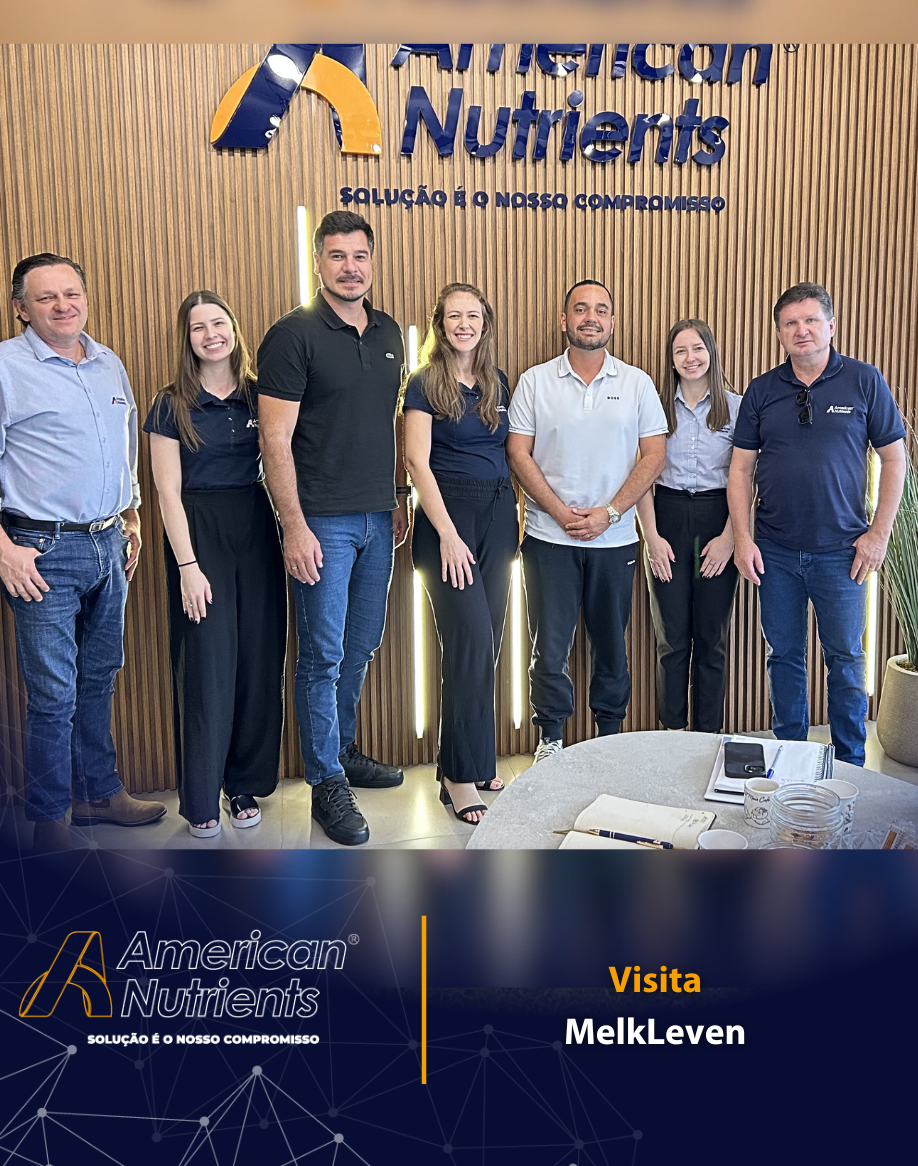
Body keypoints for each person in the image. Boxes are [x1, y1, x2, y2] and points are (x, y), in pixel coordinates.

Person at [0, 252, 167, 850]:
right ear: (22, 308)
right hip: (40, 552)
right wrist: (2, 550)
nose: (63, 306)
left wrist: (131, 513)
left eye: (72, 293)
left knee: (100, 678)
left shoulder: (107, 363)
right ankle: (51, 821)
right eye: (46, 298)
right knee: (53, 695)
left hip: (108, 545)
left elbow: (122, 447)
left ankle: (98, 794)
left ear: (86, 298)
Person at [257, 210, 408, 846]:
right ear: (318, 260)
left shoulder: (390, 332)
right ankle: (325, 782)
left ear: (372, 261)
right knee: (322, 655)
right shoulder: (291, 336)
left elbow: (388, 425)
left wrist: (397, 497)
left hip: (378, 516)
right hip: (321, 521)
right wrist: (294, 526)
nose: (350, 267)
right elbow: (274, 440)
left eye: (360, 255)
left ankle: (342, 749)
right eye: (338, 255)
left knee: (362, 643)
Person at [727, 282, 907, 765]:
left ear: (830, 325)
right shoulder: (762, 390)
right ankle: (790, 755)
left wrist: (878, 535)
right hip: (775, 551)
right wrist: (742, 538)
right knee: (783, 656)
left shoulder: (865, 381)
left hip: (844, 553)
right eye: (790, 323)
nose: (801, 330)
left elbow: (895, 459)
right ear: (779, 333)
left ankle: (851, 762)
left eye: (810, 320)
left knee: (846, 659)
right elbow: (740, 471)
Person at [144, 290, 287, 838]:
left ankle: (242, 784)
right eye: (198, 327)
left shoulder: (259, 395)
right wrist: (187, 565)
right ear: (187, 338)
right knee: (206, 666)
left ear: (234, 328)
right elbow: (166, 492)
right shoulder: (169, 404)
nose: (211, 335)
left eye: (219, 323)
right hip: (197, 532)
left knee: (257, 659)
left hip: (255, 525)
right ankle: (202, 795)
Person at [507, 280, 668, 763]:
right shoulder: (535, 381)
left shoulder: (636, 383)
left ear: (612, 322)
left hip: (615, 540)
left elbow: (654, 456)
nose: (590, 317)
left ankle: (608, 738)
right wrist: (560, 513)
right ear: (565, 320)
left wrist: (610, 513)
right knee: (549, 646)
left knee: (612, 646)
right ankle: (551, 739)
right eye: (580, 309)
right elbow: (518, 453)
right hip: (547, 538)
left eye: (601, 310)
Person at [402, 283, 517, 824]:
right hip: (447, 520)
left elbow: (510, 452)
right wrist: (446, 532)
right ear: (440, 324)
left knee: (486, 643)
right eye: (454, 316)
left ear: (485, 323)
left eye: (473, 315)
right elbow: (416, 462)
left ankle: (474, 757)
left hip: (497, 516)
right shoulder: (424, 382)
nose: (464, 324)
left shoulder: (497, 382)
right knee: (469, 641)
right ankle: (458, 776)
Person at [637, 319, 741, 732]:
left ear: (711, 353)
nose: (690, 358)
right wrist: (652, 538)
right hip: (667, 517)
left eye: (698, 348)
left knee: (712, 638)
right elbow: (641, 477)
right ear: (671, 359)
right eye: (680, 351)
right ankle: (673, 731)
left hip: (720, 517)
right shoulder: (655, 407)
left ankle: (708, 735)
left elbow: (748, 478)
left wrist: (730, 539)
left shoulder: (736, 407)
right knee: (671, 638)